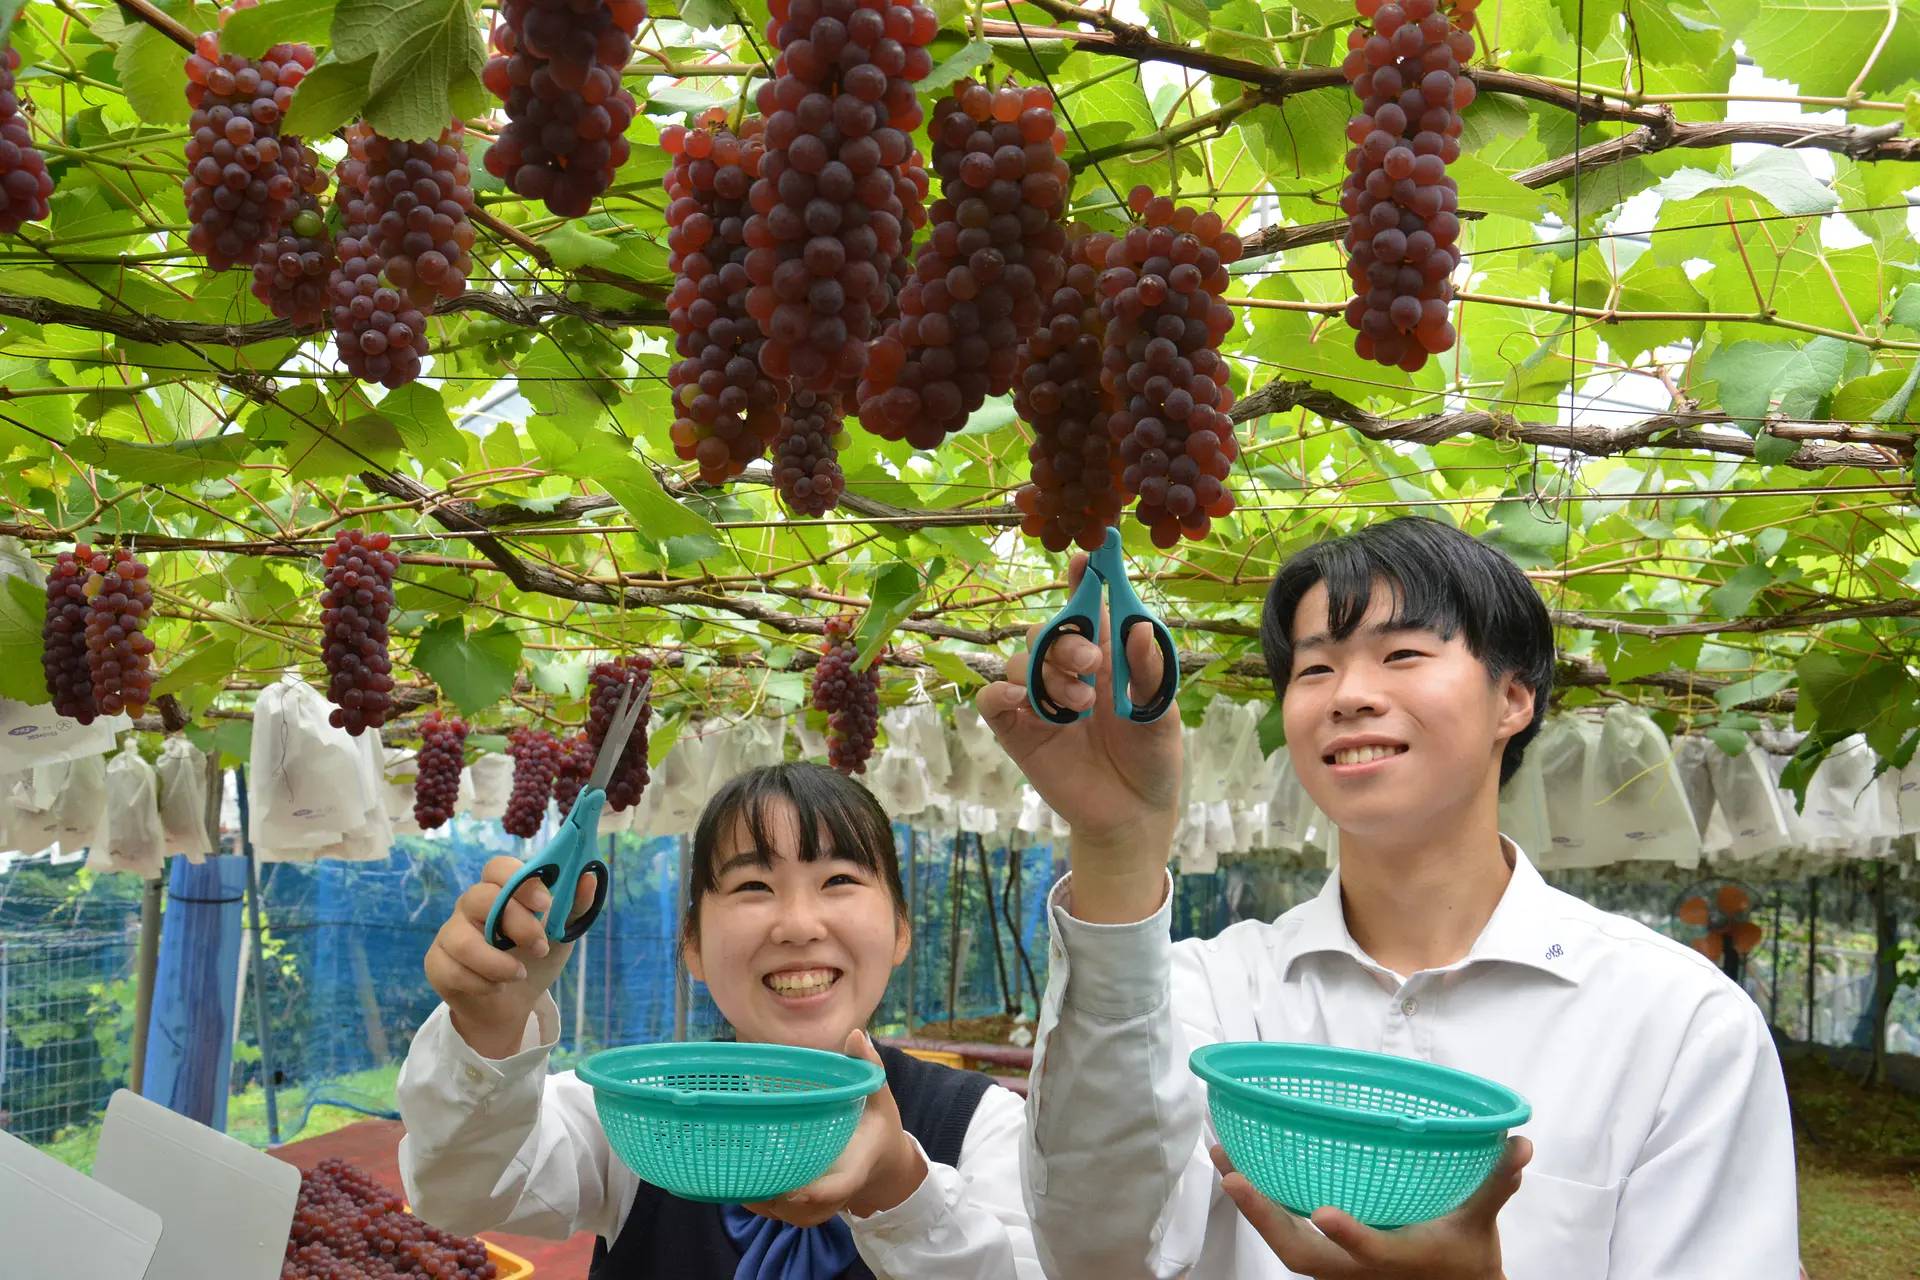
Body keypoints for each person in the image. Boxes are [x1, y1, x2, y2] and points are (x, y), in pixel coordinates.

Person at [980, 516, 1800, 1280]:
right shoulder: (1207, 992)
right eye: (1315, 668)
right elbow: (1099, 1253)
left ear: (1513, 699)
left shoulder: (1679, 1022)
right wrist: (1119, 846)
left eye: (1403, 654)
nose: (1348, 695)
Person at [397, 761, 1038, 1279]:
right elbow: (459, 1193)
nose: (798, 926)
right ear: (693, 946)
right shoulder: (628, 1115)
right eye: (752, 887)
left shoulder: (984, 1125)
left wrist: (899, 1189)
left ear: (900, 931)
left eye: (839, 879)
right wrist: (488, 1029)